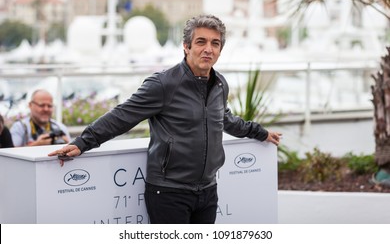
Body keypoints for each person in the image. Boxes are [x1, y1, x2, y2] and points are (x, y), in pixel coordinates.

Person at [48, 14, 282, 224]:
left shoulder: (220, 84)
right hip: (169, 193)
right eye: (201, 42)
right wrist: (82, 143)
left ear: (220, 50)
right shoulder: (163, 84)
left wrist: (260, 133)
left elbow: (226, 119)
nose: (208, 49)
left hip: (208, 191)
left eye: (215, 43)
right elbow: (122, 116)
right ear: (186, 47)